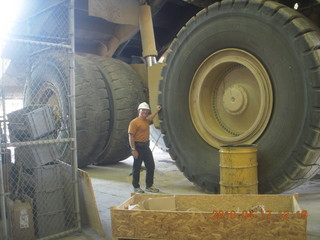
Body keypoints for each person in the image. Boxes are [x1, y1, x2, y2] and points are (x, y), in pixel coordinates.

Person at [128, 102, 162, 193]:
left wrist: (157, 111)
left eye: (146, 111)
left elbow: (151, 117)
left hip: (146, 147)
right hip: (138, 147)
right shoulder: (134, 122)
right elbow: (131, 136)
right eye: (143, 110)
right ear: (139, 110)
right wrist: (133, 149)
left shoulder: (146, 120)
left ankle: (149, 186)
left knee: (151, 166)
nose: (145, 112)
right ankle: (136, 186)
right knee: (137, 168)